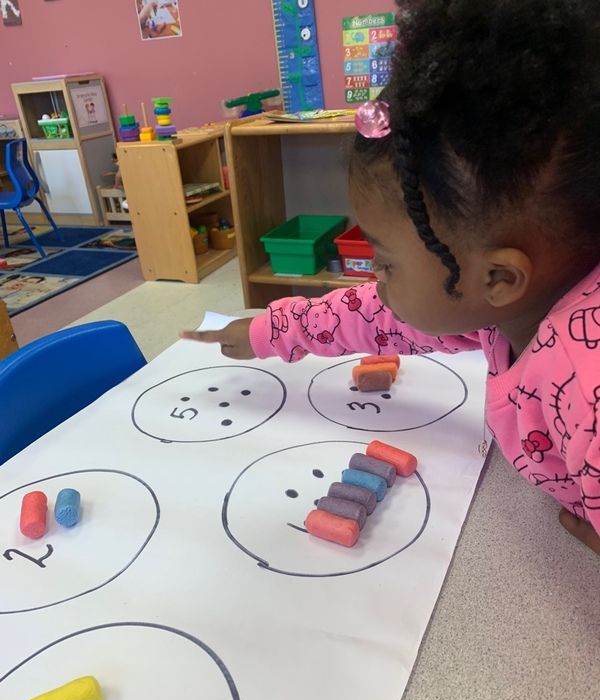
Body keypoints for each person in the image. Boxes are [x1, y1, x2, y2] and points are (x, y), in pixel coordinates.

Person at [182, 0, 600, 554]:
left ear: (498, 276)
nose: (375, 280)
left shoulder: (590, 387)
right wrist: (267, 332)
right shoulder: (504, 306)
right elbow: (373, 316)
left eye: (386, 263)